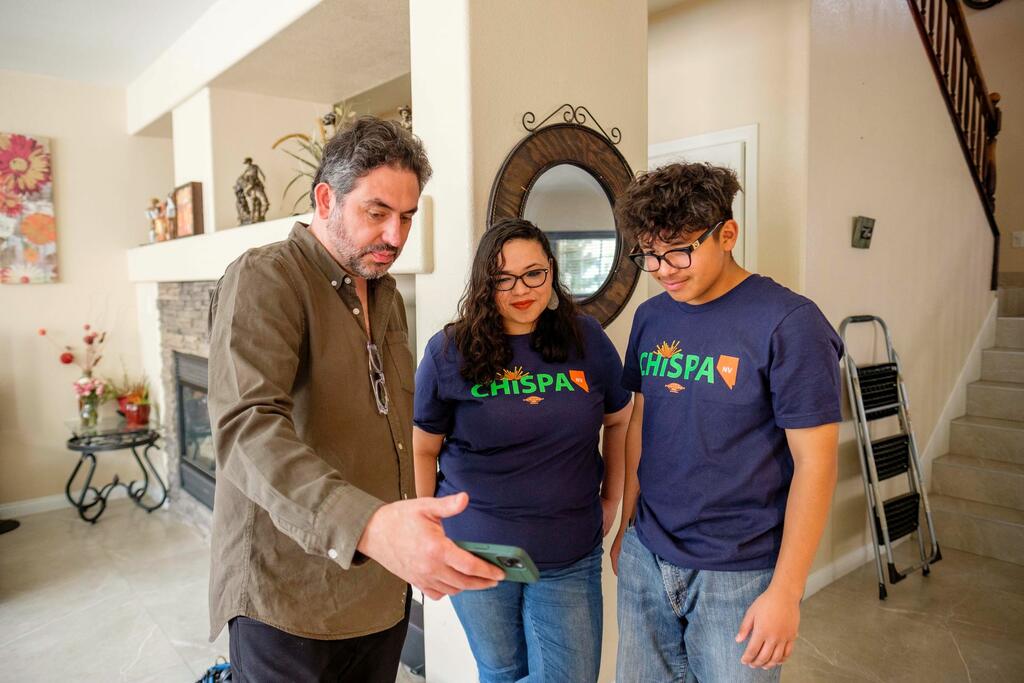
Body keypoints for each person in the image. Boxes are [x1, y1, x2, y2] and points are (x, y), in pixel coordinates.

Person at [207, 116, 503, 683]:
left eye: (408, 217)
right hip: (287, 600)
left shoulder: (385, 294)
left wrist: (412, 528)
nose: (396, 235)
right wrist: (369, 525)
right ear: (326, 198)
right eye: (377, 212)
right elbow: (247, 428)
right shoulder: (266, 277)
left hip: (375, 590)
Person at [610, 162, 843, 681]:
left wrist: (786, 591)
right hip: (648, 555)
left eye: (680, 250)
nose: (664, 269)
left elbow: (817, 464)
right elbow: (640, 423)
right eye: (650, 254)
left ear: (728, 234)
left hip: (740, 571)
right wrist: (628, 524)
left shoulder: (790, 324)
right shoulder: (652, 317)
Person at [413, 219, 632, 682]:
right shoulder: (449, 352)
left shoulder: (585, 339)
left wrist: (612, 498)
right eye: (503, 279)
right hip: (476, 548)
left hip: (567, 548)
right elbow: (422, 449)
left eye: (534, 273)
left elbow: (619, 420)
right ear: (484, 284)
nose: (521, 290)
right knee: (501, 671)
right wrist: (427, 527)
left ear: (552, 272)